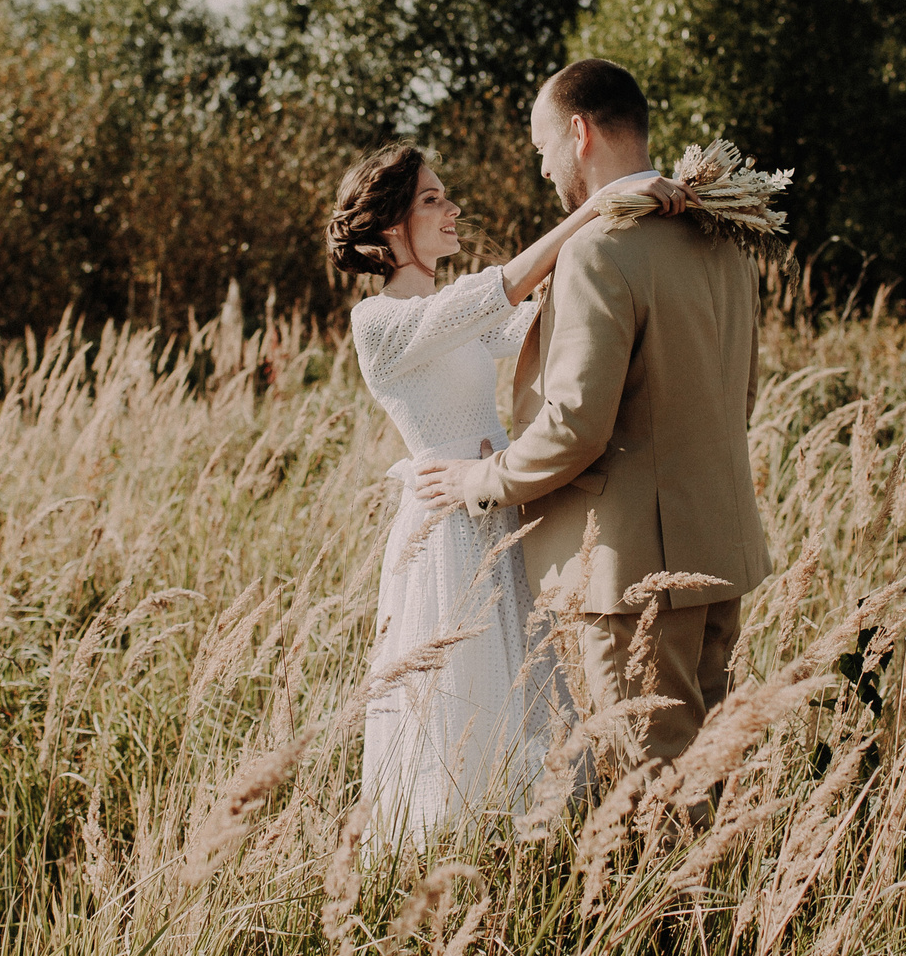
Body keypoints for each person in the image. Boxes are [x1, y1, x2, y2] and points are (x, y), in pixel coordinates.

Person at [415, 59, 770, 768]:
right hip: (721, 550)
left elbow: (576, 427)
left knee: (650, 787)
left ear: (578, 134)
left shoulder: (599, 250)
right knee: (706, 777)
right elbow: (740, 393)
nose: (544, 168)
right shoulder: (726, 236)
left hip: (634, 574)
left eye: (543, 147)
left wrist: (477, 480)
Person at [328, 142, 687, 841]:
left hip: (493, 507)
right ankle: (456, 853)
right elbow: (501, 289)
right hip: (444, 526)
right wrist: (596, 205)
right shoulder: (379, 323)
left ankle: (529, 845)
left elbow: (544, 324)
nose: (452, 208)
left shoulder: (454, 313)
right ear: (392, 225)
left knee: (523, 682)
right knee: (461, 693)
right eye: (432, 199)